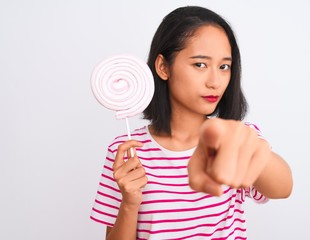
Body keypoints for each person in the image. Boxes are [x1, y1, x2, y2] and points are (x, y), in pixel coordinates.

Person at [90, 6, 293, 240]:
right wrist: (129, 203)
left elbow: (283, 189)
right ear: (163, 67)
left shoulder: (236, 138)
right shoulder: (128, 150)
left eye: (224, 66)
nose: (215, 81)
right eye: (200, 64)